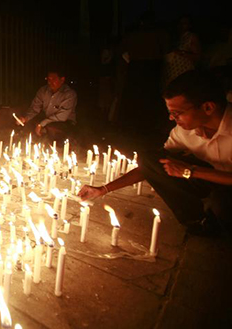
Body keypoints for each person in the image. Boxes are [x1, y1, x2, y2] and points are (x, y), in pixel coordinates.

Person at [79, 70, 232, 237]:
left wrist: (191, 171)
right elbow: (150, 166)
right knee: (151, 158)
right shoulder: (183, 132)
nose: (171, 119)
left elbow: (190, 172)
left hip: (223, 189)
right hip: (211, 181)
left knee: (221, 202)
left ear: (208, 107)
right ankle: (198, 220)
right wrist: (103, 189)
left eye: (177, 113)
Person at [17, 68, 77, 142]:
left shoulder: (69, 94)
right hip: (46, 120)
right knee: (28, 125)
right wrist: (25, 118)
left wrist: (41, 124)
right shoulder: (43, 91)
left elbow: (62, 116)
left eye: (53, 80)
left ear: (62, 80)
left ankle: (60, 145)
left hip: (64, 123)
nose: (50, 82)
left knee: (51, 128)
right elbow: (35, 108)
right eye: (49, 79)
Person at [163, 15, 201, 85]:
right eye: (180, 23)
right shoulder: (175, 38)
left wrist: (181, 53)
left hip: (183, 73)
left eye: (184, 23)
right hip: (171, 74)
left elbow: (197, 57)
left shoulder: (191, 37)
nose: (181, 25)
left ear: (190, 25)